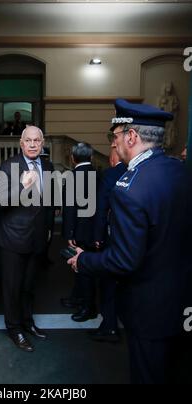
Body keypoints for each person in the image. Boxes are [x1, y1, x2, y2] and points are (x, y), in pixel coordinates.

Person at [67, 99, 191, 384]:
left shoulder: (130, 187)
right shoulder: (180, 171)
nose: (114, 143)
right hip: (182, 300)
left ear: (131, 137)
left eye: (116, 136)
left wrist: (83, 260)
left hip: (150, 309)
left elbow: (124, 259)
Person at [0, 126, 53, 352]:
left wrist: (48, 228)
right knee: (12, 287)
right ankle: (14, 328)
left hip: (38, 238)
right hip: (13, 238)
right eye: (28, 140)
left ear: (42, 143)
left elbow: (48, 202)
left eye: (36, 141)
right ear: (21, 143)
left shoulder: (47, 166)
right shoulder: (9, 166)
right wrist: (23, 186)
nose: (32, 144)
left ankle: (28, 322)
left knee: (29, 286)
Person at [89, 144, 127, 342]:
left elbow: (101, 209)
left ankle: (109, 326)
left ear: (114, 157)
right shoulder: (137, 171)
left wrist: (98, 238)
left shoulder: (111, 175)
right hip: (131, 241)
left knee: (108, 284)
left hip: (111, 240)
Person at [61, 143, 98, 322]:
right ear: (91, 157)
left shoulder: (71, 176)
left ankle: (87, 307)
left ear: (73, 158)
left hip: (79, 232)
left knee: (82, 269)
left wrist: (69, 233)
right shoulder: (99, 175)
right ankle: (78, 298)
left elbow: (69, 209)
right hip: (94, 232)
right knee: (86, 268)